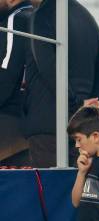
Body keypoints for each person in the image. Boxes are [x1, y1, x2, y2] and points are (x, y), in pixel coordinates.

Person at [23, 0, 99, 167]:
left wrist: (76, 105)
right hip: (83, 130)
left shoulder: (42, 15)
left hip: (49, 127)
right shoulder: (89, 19)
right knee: (78, 190)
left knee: (51, 191)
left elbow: (48, 69)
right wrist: (91, 108)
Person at [0, 0, 33, 166]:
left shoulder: (16, 19)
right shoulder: (36, 16)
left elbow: (8, 71)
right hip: (28, 122)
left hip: (9, 127)